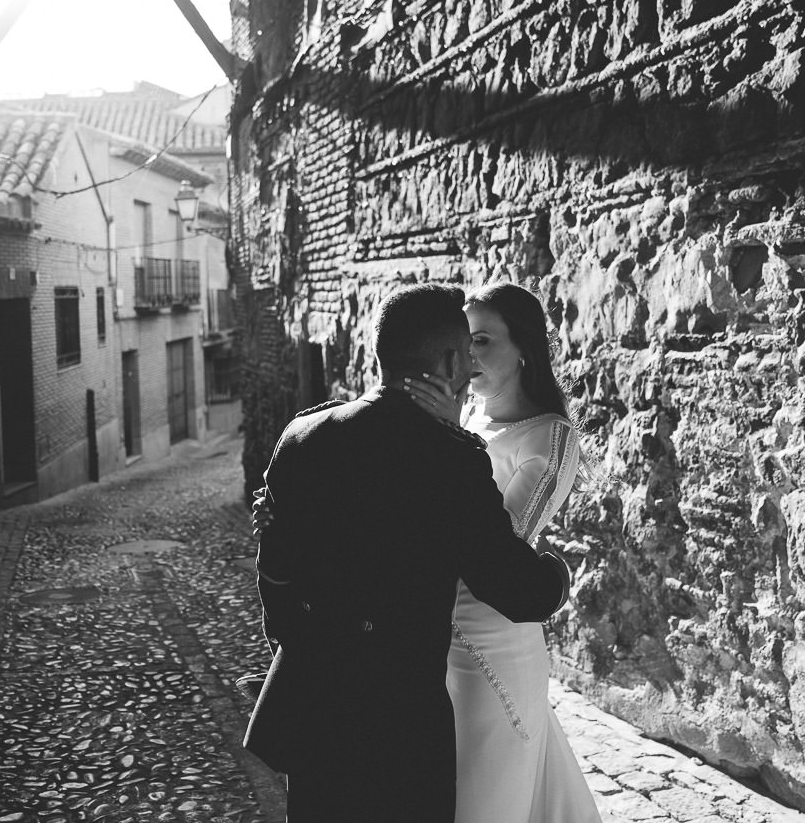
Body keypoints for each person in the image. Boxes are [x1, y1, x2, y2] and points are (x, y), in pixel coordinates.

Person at [244, 283, 571, 823]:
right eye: (467, 353)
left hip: (316, 707)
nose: (471, 369)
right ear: (447, 359)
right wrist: (556, 576)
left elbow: (276, 576)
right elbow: (514, 589)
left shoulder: (301, 434)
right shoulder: (452, 460)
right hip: (401, 724)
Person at [403, 281, 601, 823]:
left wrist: (443, 438)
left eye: (484, 341)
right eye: (465, 343)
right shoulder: (467, 421)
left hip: (490, 644)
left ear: (524, 350)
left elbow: (495, 547)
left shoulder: (549, 439)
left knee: (483, 802)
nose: (469, 357)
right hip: (430, 635)